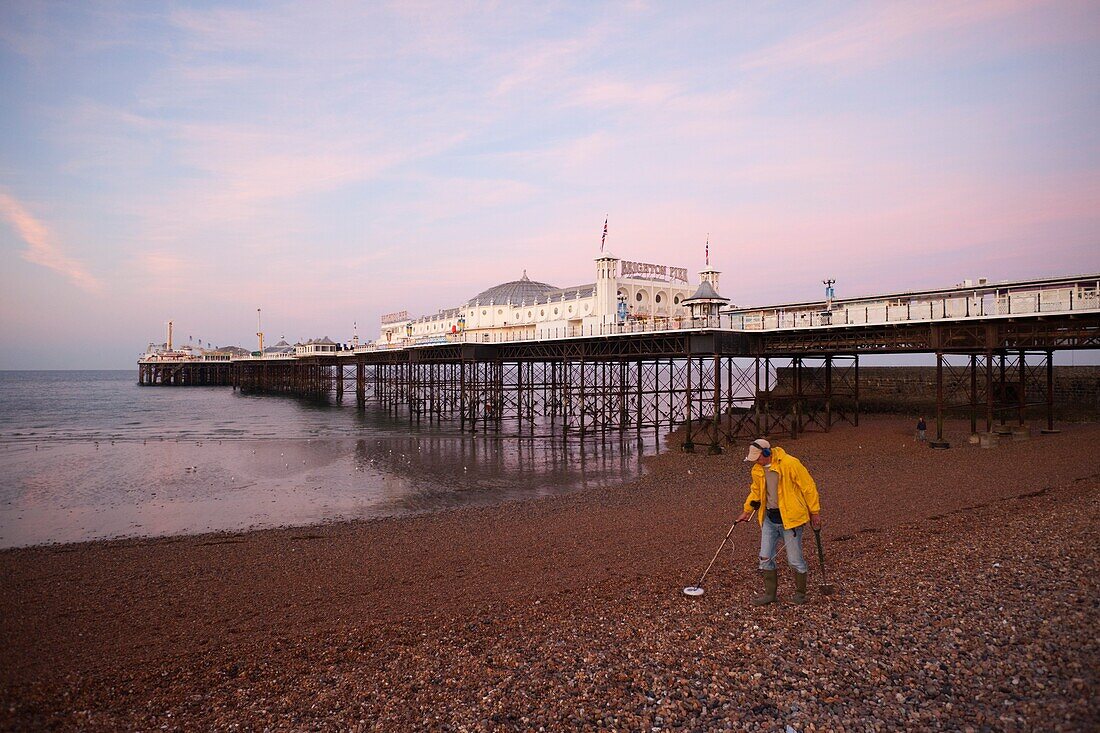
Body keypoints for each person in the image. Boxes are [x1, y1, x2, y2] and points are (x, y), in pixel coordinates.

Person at [735, 438, 821, 605]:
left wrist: (815, 512)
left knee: (794, 559)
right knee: (765, 557)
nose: (756, 462)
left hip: (791, 519)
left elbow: (808, 487)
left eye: (758, 458)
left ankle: (800, 594)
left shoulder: (790, 463)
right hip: (769, 518)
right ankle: (770, 595)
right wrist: (747, 511)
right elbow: (756, 492)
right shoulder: (757, 470)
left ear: (767, 453)